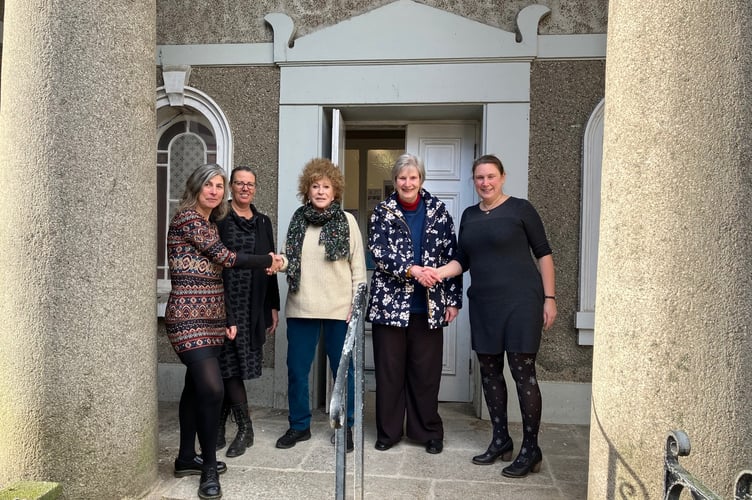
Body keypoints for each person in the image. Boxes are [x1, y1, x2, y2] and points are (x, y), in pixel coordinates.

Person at [429, 154, 557, 478]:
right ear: (474, 181)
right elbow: (462, 259)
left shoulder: (521, 209)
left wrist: (550, 298)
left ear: (502, 177)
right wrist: (437, 273)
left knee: (522, 372)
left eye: (490, 177)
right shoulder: (470, 215)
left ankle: (531, 449)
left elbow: (543, 254)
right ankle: (500, 439)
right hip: (484, 303)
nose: (485, 183)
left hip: (522, 303)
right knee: (489, 371)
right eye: (479, 178)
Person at [165, 163, 282, 499]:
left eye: (218, 186)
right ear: (197, 187)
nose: (215, 191)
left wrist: (228, 318)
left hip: (214, 319)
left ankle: (186, 457)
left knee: (193, 389)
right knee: (213, 390)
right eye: (210, 185)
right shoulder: (188, 219)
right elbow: (226, 258)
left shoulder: (211, 223)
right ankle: (209, 469)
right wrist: (268, 261)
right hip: (188, 319)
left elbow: (218, 274)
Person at [366, 153, 462, 454]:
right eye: (402, 178)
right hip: (389, 307)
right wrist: (411, 270)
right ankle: (389, 432)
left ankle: (427, 431)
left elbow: (452, 255)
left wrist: (453, 300)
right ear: (395, 181)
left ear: (420, 180)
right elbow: (378, 252)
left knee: (425, 374)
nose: (407, 183)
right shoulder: (382, 211)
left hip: (429, 307)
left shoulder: (439, 211)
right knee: (390, 373)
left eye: (413, 177)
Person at [275, 158, 366, 453]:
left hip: (340, 309)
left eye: (326, 186)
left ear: (335, 190)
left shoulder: (348, 221)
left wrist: (356, 304)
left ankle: (345, 426)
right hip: (302, 306)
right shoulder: (297, 219)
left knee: (343, 372)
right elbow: (291, 260)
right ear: (307, 189)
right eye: (315, 186)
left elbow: (358, 269)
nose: (320, 191)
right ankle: (299, 425)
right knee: (297, 370)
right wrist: (279, 262)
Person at [214, 166, 281, 458]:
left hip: (252, 302)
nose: (244, 188)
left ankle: (221, 426)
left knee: (234, 366)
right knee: (227, 365)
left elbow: (271, 266)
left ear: (255, 188)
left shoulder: (263, 221)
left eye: (250, 184)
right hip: (224, 300)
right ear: (231, 187)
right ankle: (245, 428)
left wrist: (273, 305)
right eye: (239, 183)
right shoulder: (219, 218)